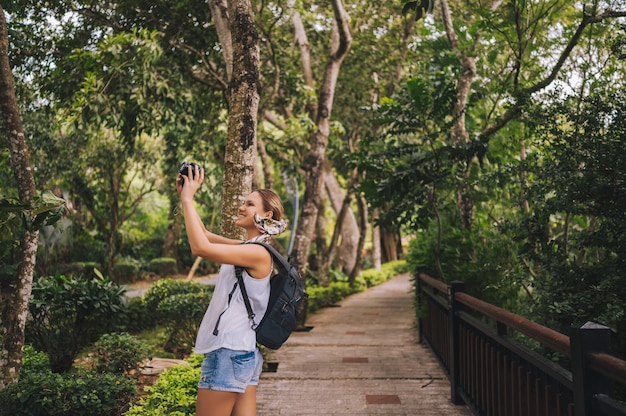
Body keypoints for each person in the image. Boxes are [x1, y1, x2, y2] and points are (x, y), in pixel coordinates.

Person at [177, 163, 287, 416]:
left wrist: (188, 199)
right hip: (242, 350)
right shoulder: (250, 248)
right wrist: (185, 197)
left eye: (249, 204)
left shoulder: (256, 253)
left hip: (229, 351)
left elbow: (200, 248)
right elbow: (203, 234)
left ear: (266, 215)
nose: (241, 207)